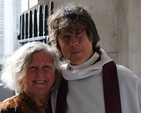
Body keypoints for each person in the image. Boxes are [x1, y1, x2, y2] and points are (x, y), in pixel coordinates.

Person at [47, 3, 141, 113]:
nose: (73, 43)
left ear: (91, 36)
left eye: (78, 33)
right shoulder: (56, 83)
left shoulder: (125, 79)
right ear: (58, 44)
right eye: (66, 37)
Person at [0, 42, 61, 113]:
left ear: (56, 72)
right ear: (19, 73)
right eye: (33, 67)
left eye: (46, 67)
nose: (40, 73)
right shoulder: (6, 109)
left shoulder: (65, 105)